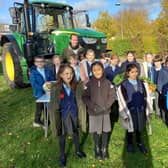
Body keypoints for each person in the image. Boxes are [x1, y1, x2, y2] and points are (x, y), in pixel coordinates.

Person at [49, 64, 86, 167]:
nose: (69, 76)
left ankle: (78, 150)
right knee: (62, 136)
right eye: (66, 74)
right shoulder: (56, 88)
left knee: (75, 133)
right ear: (61, 75)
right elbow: (54, 104)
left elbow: (80, 99)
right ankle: (62, 155)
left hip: (74, 114)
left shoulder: (77, 86)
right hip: (63, 116)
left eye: (71, 73)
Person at [82, 62, 115, 160]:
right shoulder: (89, 84)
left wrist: (106, 106)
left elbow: (112, 96)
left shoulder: (108, 83)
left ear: (103, 70)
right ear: (92, 72)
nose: (97, 72)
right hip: (94, 112)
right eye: (94, 70)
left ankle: (104, 148)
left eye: (99, 69)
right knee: (95, 130)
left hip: (105, 111)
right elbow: (85, 97)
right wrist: (93, 107)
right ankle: (97, 148)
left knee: (105, 130)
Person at [116, 64, 152, 154]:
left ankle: (139, 142)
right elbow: (121, 100)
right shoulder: (123, 85)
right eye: (132, 72)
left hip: (140, 109)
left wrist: (147, 108)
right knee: (130, 128)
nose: (134, 74)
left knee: (139, 127)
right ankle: (130, 143)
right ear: (128, 73)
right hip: (130, 111)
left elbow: (146, 96)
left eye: (136, 72)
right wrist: (124, 113)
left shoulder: (142, 83)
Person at [30, 56, 55, 127]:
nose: (40, 63)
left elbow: (52, 79)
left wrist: (50, 83)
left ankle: (46, 120)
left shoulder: (48, 70)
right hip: (39, 93)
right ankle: (37, 121)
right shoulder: (33, 73)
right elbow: (34, 84)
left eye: (41, 61)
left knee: (47, 106)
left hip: (48, 92)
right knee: (40, 107)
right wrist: (43, 87)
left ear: (44, 62)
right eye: (38, 62)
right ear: (35, 63)